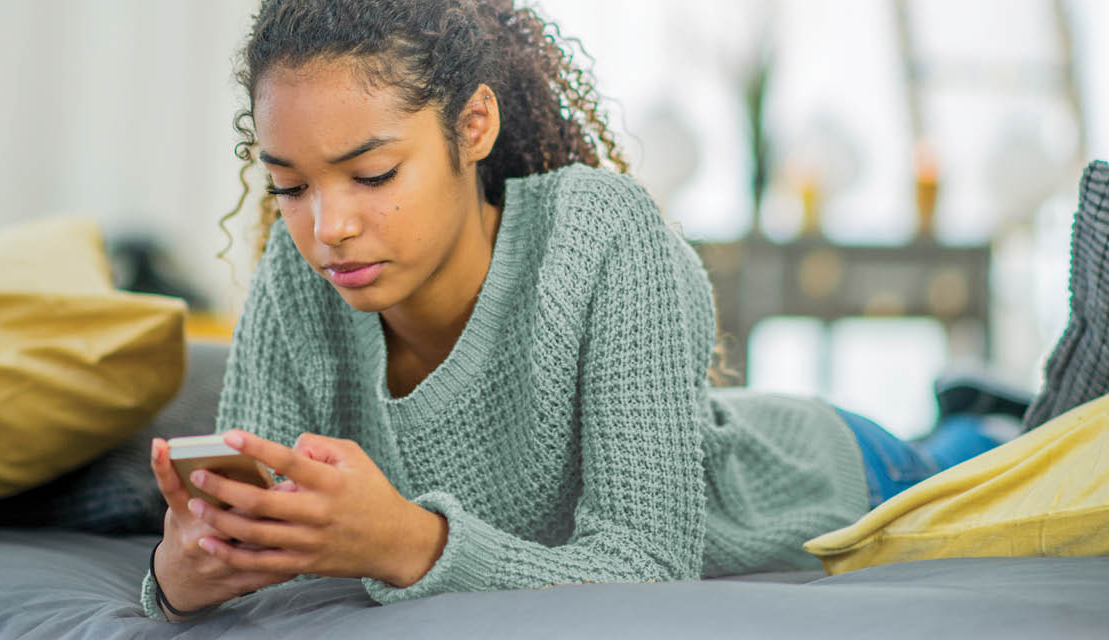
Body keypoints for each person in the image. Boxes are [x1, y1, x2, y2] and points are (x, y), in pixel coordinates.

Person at [140, 0, 1061, 623]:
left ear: (473, 128)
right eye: (290, 185)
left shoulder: (599, 238)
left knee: (994, 458)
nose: (327, 227)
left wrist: (407, 542)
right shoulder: (295, 283)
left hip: (828, 473)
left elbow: (648, 567)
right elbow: (238, 557)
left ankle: (974, 412)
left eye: (373, 174)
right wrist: (182, 574)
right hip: (728, 438)